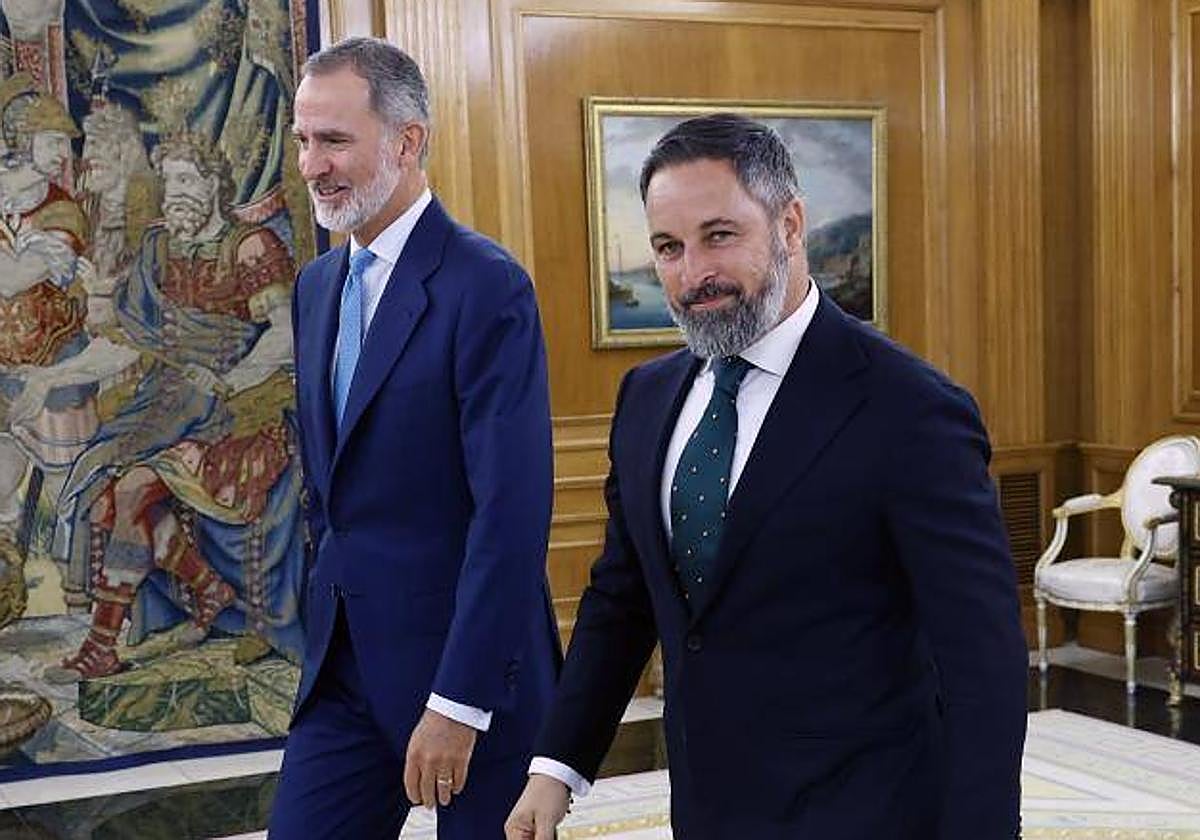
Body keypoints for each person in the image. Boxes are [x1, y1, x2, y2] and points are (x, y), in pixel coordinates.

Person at [506, 114, 1028, 839]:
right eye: (668, 247)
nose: (693, 274)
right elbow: (622, 599)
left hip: (871, 812)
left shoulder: (909, 409)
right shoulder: (646, 400)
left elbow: (983, 657)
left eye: (719, 235)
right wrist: (554, 767)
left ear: (789, 224)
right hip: (708, 810)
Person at [268, 37, 560, 839]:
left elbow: (512, 514)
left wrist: (459, 702)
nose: (311, 164)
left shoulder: (487, 286)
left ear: (407, 141)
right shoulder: (317, 288)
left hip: (471, 680)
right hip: (345, 674)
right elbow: (336, 492)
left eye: (334, 140)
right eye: (302, 139)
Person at [47, 132, 302, 680]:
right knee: (102, 493)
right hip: (167, 405)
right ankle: (207, 590)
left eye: (187, 180)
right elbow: (126, 333)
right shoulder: (159, 247)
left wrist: (230, 380)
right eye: (169, 183)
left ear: (214, 186)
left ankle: (101, 646)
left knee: (133, 488)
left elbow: (284, 334)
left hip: (237, 412)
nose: (175, 194)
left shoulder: (249, 247)